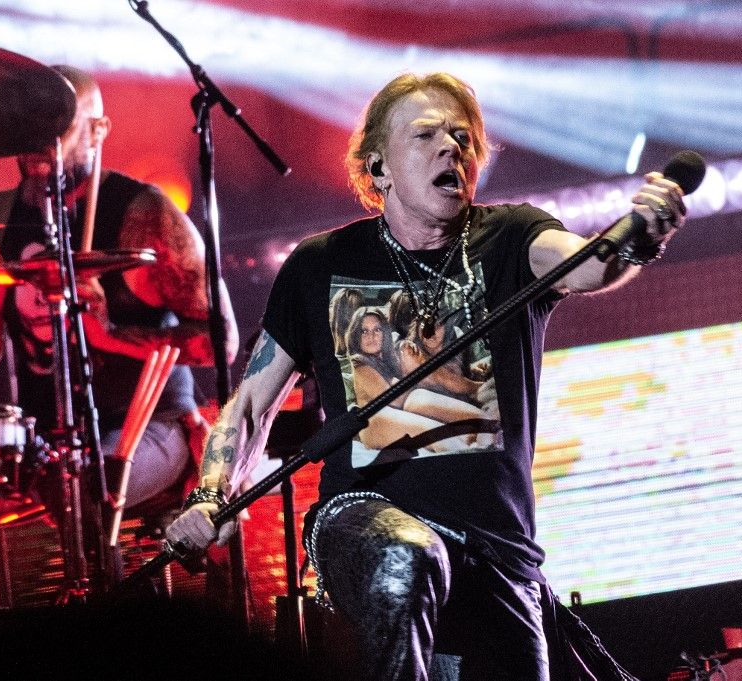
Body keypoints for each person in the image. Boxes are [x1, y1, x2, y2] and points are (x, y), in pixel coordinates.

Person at [165, 71, 686, 680]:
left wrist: (638, 237)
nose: (450, 148)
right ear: (378, 167)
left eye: (463, 138)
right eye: (426, 135)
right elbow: (253, 404)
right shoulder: (321, 265)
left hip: (496, 552)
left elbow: (587, 264)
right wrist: (211, 494)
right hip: (362, 519)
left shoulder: (511, 236)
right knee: (405, 557)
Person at [0, 65, 238, 519]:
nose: (40, 145)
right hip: (49, 436)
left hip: (149, 424)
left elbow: (221, 343)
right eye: (32, 125)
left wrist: (108, 335)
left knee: (83, 491)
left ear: (98, 130)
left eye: (59, 125)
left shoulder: (142, 212)